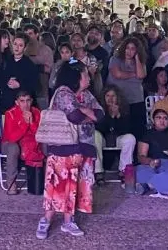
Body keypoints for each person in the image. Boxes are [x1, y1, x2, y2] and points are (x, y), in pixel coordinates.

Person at [36, 60, 102, 240]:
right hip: (62, 147)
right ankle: (46, 219)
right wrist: (88, 113)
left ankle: (68, 220)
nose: (88, 77)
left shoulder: (87, 94)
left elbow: (101, 115)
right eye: (85, 74)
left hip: (83, 147)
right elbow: (74, 117)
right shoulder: (63, 93)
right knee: (56, 184)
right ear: (76, 77)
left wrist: (85, 111)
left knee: (76, 185)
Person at [133, 108, 168, 198]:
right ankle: (164, 186)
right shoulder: (147, 134)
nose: (162, 120)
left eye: (165, 118)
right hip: (151, 165)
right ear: (153, 120)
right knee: (138, 171)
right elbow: (141, 157)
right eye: (159, 118)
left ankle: (149, 185)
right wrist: (150, 161)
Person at [0, 89, 43, 194]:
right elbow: (12, 138)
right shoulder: (10, 113)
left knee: (45, 144)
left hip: (29, 143)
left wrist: (31, 122)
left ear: (31, 101)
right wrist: (25, 123)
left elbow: (40, 134)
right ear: (17, 102)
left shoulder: (37, 112)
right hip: (9, 144)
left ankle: (45, 180)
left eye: (28, 100)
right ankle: (11, 183)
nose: (25, 104)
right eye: (22, 101)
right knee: (14, 147)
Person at [94, 87, 137, 189]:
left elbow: (126, 130)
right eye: (108, 96)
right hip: (103, 138)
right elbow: (100, 128)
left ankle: (124, 170)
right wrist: (110, 117)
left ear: (118, 97)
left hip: (118, 138)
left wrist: (118, 116)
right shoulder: (98, 109)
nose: (110, 98)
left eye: (113, 96)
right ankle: (98, 172)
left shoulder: (124, 109)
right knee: (95, 135)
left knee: (130, 138)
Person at [0, 33, 41, 112]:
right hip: (6, 104)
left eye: (20, 45)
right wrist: (6, 82)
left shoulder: (30, 65)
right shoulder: (5, 62)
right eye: (15, 44)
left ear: (25, 48)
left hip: (23, 106)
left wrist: (20, 85)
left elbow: (35, 85)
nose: (16, 47)